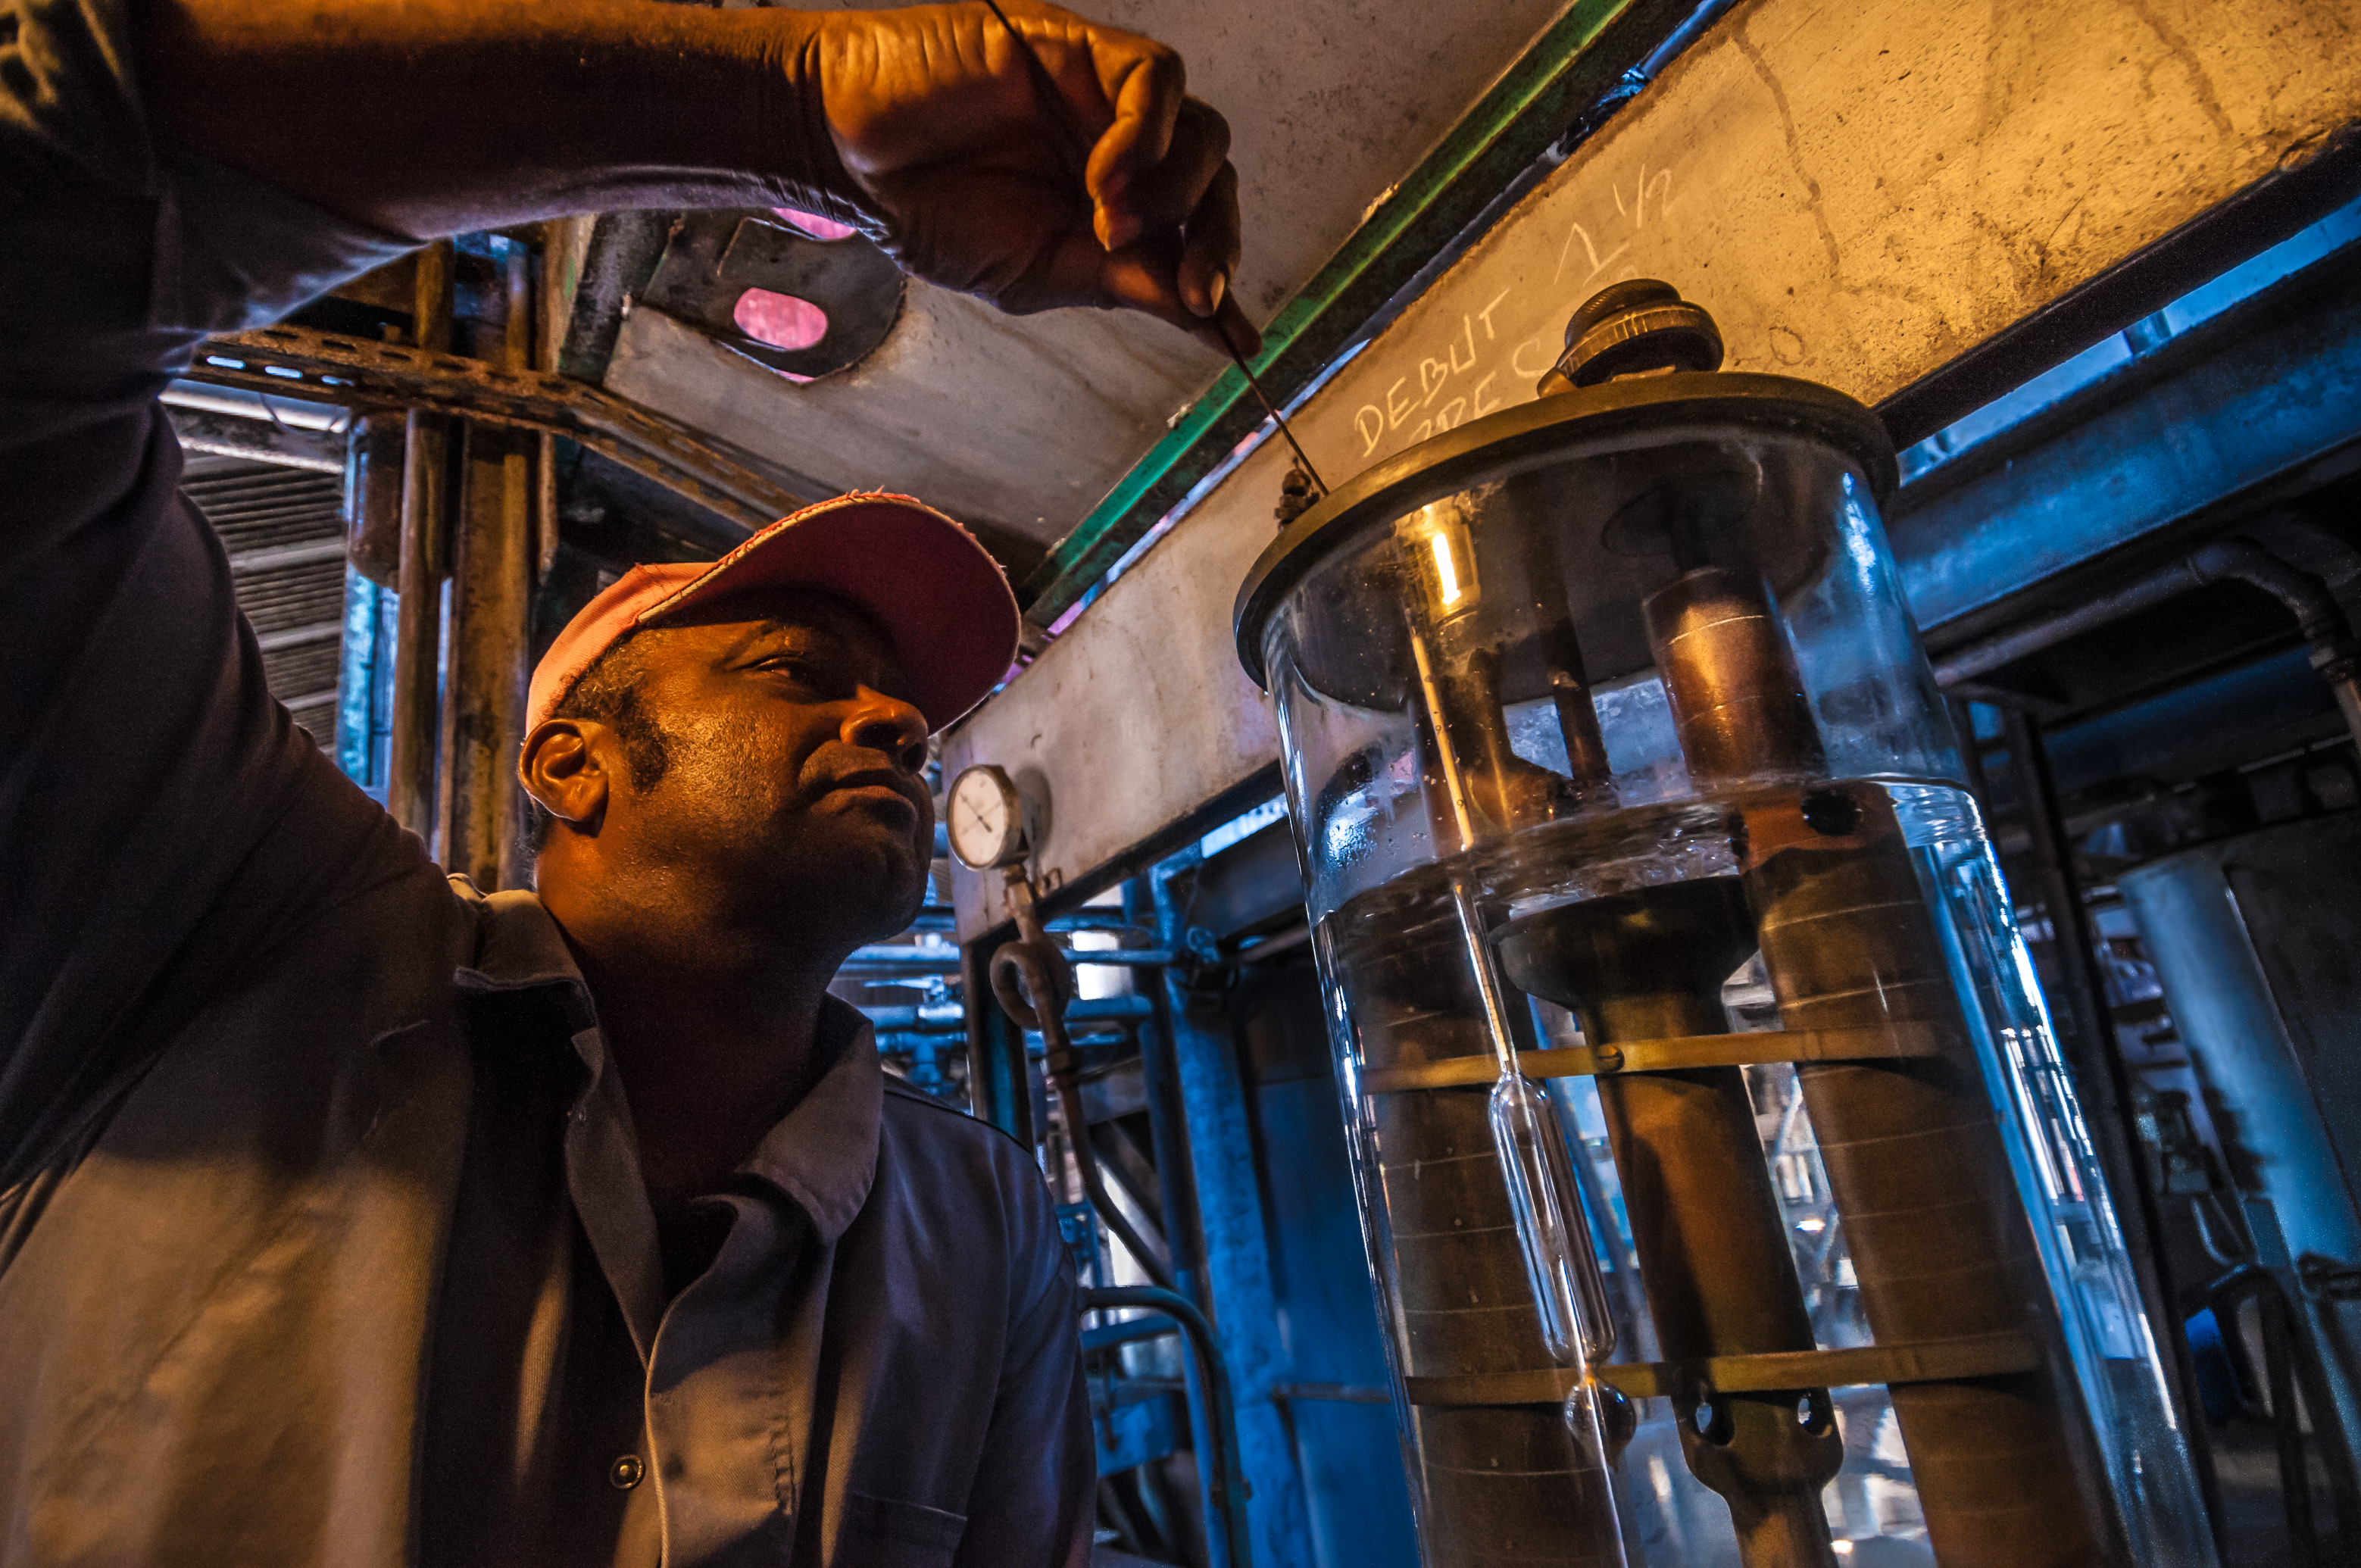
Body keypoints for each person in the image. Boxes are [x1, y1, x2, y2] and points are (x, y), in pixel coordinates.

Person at [0, 0, 1252, 1561]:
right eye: (800, 674)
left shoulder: (982, 1229)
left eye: (911, 719)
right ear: (567, 764)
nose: (888, 729)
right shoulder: (222, 962)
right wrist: (790, 116)